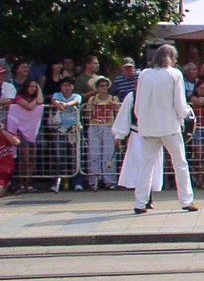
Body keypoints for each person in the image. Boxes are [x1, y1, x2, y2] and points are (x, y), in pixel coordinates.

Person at [128, 44, 196, 213]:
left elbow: (138, 103)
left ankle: (140, 202)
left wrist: (141, 120)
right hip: (169, 126)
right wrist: (184, 115)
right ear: (170, 58)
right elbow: (180, 103)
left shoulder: (143, 74)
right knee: (180, 163)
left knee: (146, 165)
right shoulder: (174, 74)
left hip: (148, 126)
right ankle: (186, 200)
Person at [84, 76, 119, 190]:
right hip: (95, 127)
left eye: (106, 85)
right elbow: (87, 115)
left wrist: (116, 106)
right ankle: (94, 180)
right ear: (97, 87)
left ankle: (109, 180)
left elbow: (118, 114)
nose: (104, 88)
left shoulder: (113, 98)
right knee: (94, 154)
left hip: (108, 127)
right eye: (101, 86)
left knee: (108, 154)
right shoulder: (92, 99)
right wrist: (91, 108)